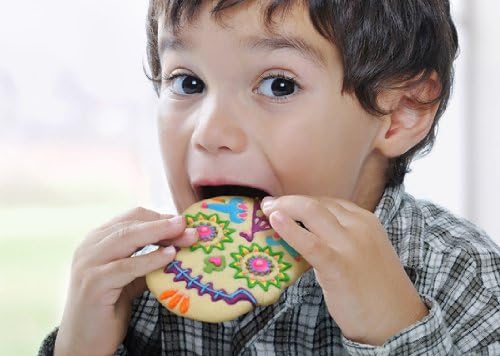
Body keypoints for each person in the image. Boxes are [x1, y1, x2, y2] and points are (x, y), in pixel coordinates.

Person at [39, 0, 500, 354]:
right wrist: (81, 345)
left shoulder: (464, 274)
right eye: (187, 82)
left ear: (400, 112)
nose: (210, 132)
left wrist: (397, 331)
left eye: (279, 85)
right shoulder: (138, 291)